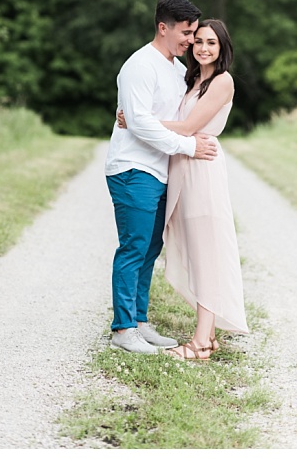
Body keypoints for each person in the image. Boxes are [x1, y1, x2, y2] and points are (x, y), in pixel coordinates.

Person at [118, 19, 248, 360]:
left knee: (206, 252)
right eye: (198, 41)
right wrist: (141, 118)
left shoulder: (222, 81)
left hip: (201, 170)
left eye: (211, 43)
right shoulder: (192, 80)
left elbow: (190, 127)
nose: (203, 47)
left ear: (222, 49)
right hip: (181, 169)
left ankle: (202, 341)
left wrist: (136, 119)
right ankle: (206, 333)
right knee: (192, 248)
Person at [105, 0, 219, 354]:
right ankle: (123, 329)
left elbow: (172, 119)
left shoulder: (174, 69)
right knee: (134, 247)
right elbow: (140, 124)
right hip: (133, 168)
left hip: (159, 170)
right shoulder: (140, 65)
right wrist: (188, 148)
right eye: (186, 33)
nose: (190, 40)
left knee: (151, 248)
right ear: (163, 27)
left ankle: (139, 321)